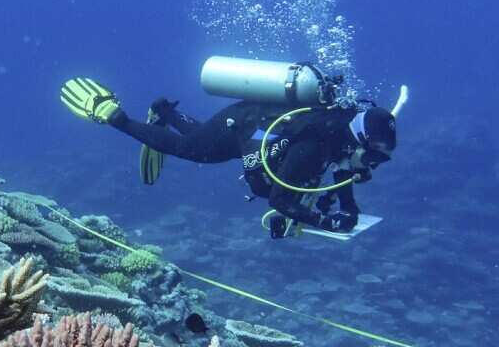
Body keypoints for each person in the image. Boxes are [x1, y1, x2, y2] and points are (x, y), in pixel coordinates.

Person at [59, 72, 396, 237]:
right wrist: (323, 221)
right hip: (244, 123)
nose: (372, 167)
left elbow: (341, 172)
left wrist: (349, 210)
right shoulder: (314, 145)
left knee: (206, 141)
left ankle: (167, 113)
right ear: (358, 140)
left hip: (253, 126)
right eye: (373, 158)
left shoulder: (338, 139)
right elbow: (279, 197)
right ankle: (117, 117)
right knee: (192, 150)